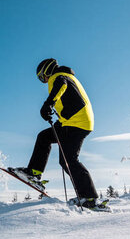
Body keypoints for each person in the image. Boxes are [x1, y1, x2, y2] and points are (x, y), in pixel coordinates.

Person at [14, 58, 102, 208]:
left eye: (42, 77)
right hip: (74, 122)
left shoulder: (59, 77)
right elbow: (72, 102)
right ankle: (34, 173)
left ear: (47, 71)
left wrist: (48, 104)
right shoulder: (67, 77)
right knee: (44, 137)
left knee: (69, 160)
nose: (44, 80)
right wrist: (59, 121)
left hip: (76, 123)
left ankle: (90, 198)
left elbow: (61, 86)